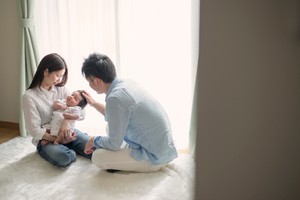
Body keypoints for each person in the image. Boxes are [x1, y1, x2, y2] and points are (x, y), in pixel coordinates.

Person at [81, 53, 178, 172]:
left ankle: (126, 163)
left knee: (97, 157)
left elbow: (114, 144)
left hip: (154, 157)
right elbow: (115, 115)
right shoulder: (125, 83)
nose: (89, 85)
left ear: (96, 81)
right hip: (162, 147)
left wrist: (93, 140)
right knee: (109, 128)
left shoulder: (115, 98)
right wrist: (93, 103)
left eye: (89, 82)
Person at [22, 53, 92, 167]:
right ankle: (68, 150)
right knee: (64, 157)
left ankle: (69, 145)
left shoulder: (62, 89)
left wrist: (66, 121)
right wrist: (58, 139)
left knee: (93, 147)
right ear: (45, 72)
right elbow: (34, 130)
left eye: (62, 76)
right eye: (57, 75)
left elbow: (80, 111)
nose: (60, 80)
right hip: (47, 138)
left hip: (67, 131)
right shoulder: (29, 97)